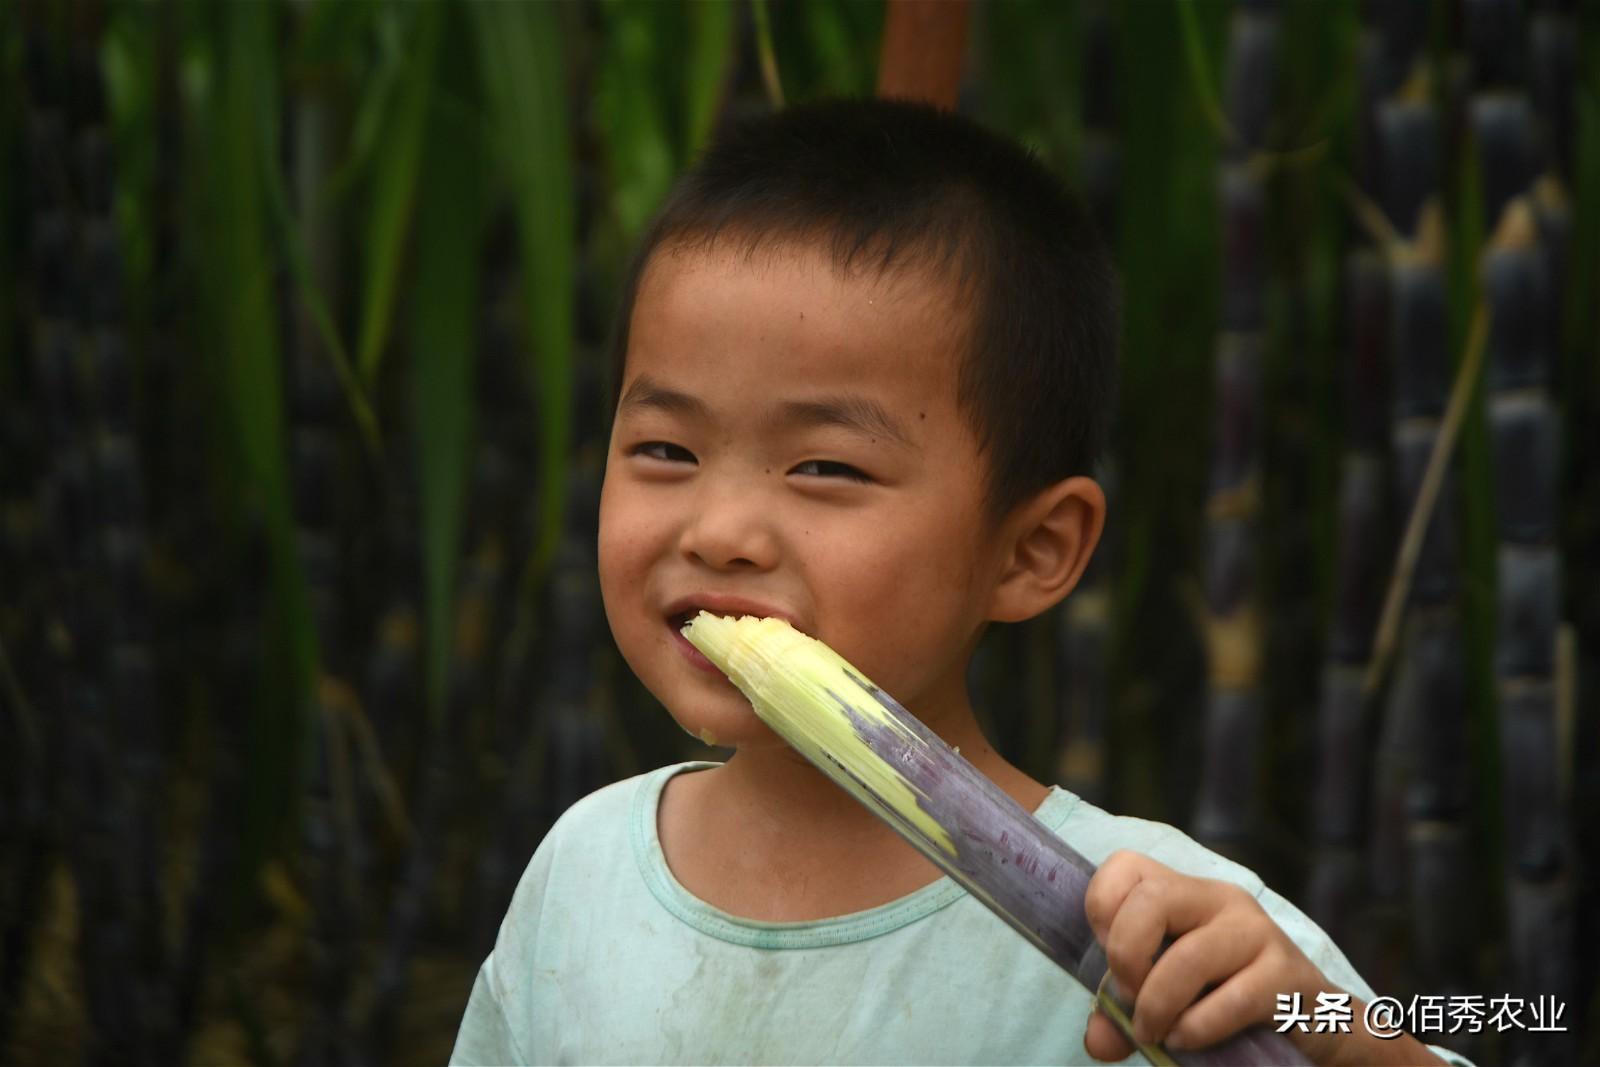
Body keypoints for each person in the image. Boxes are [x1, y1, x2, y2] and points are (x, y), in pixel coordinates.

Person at [451, 98, 1466, 1066]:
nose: (718, 531)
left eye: (825, 468)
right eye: (665, 448)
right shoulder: (580, 871)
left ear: (1031, 549)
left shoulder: (1153, 920)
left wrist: (1332, 1035)